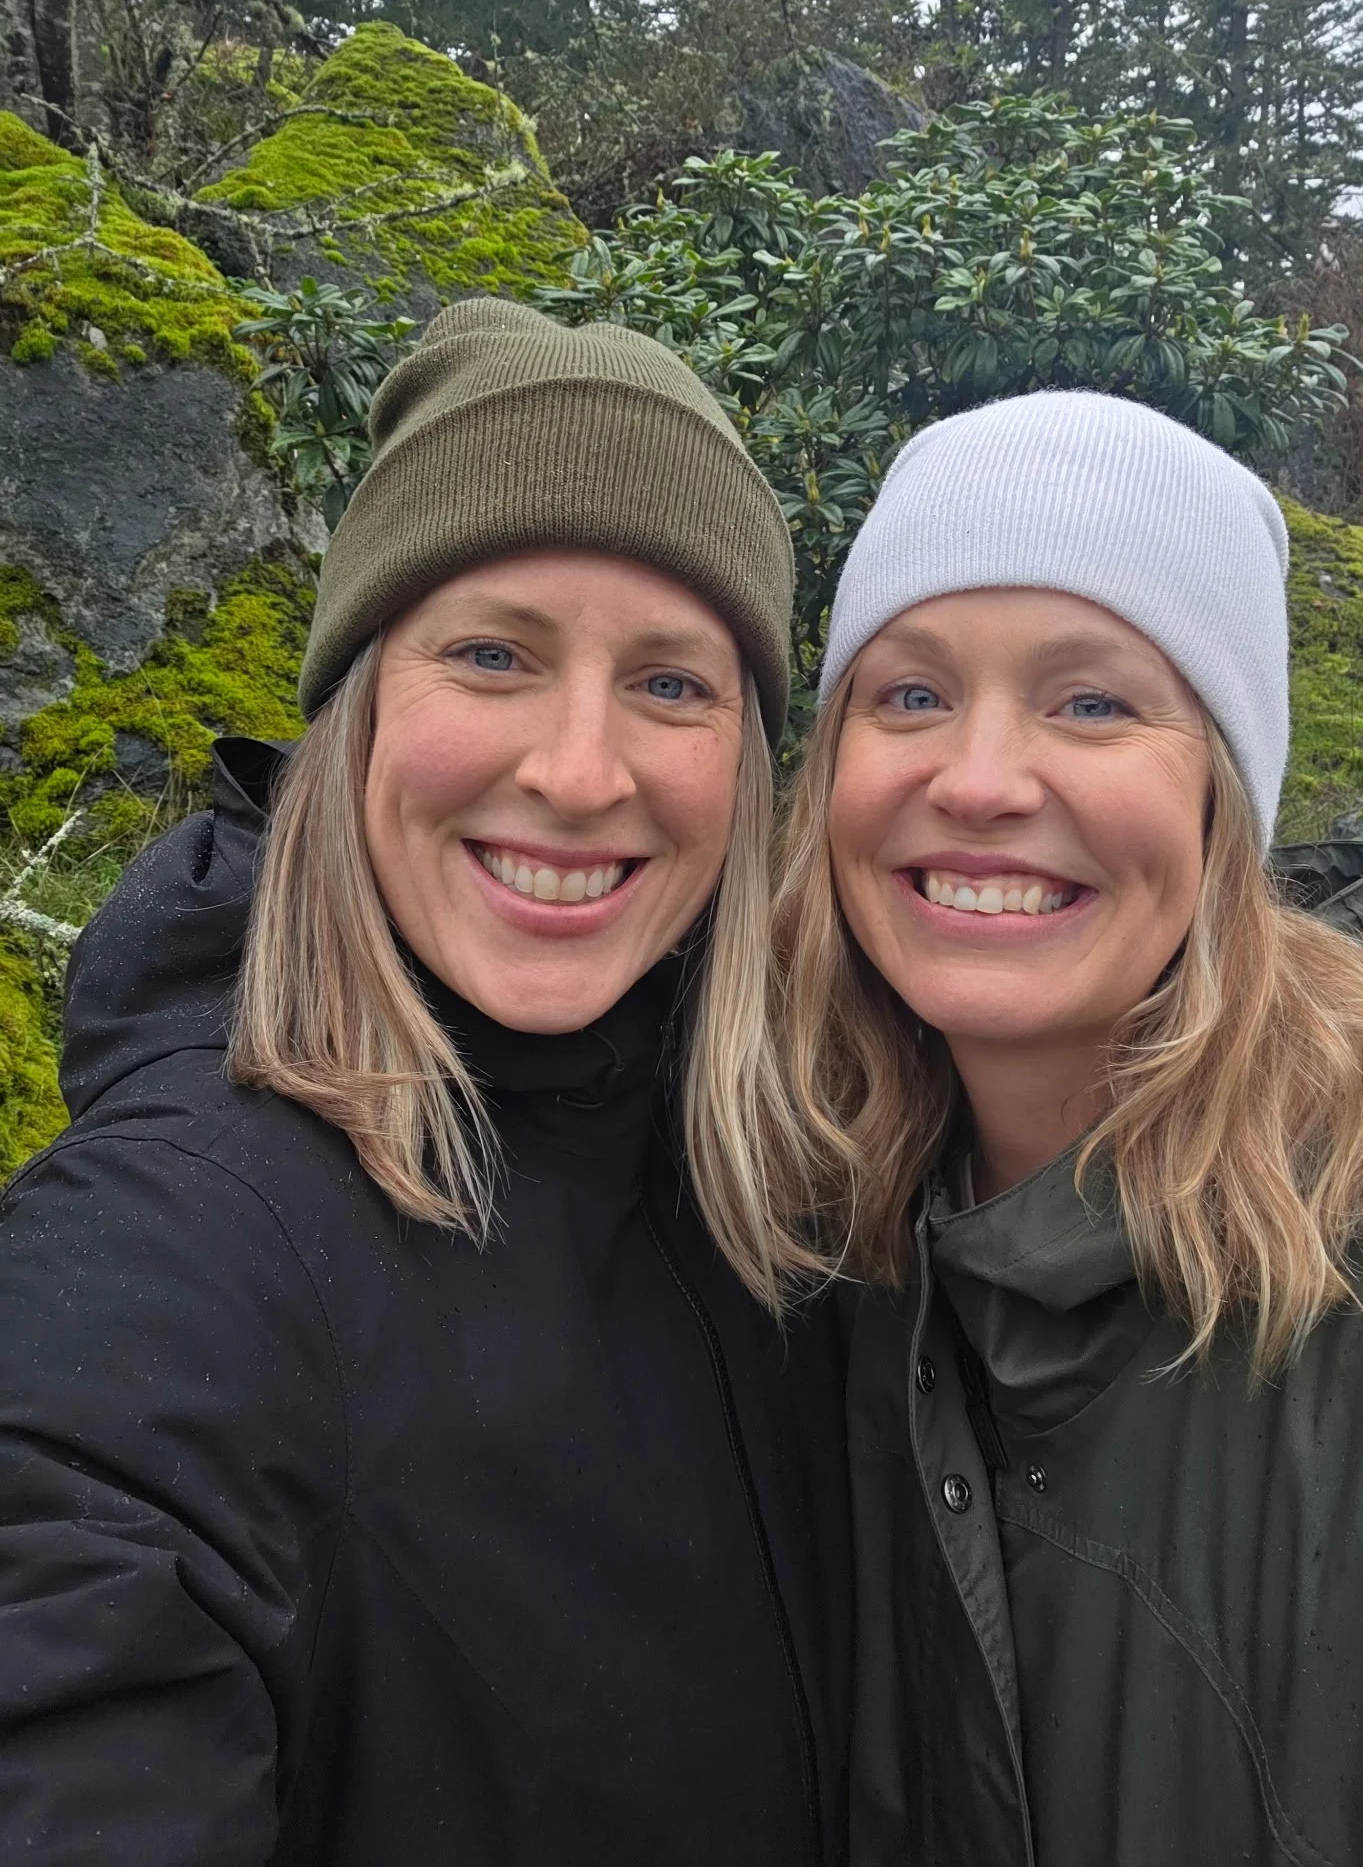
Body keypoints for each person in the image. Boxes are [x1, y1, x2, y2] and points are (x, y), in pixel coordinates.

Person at [0, 299, 850, 1865]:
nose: (579, 771)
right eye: (491, 655)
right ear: (362, 702)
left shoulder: (800, 1190)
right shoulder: (171, 1247)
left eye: (673, 683)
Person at [768, 390, 1363, 1866]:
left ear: (1224, 800)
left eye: (1093, 702)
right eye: (910, 695)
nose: (978, 779)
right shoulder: (803, 1247)